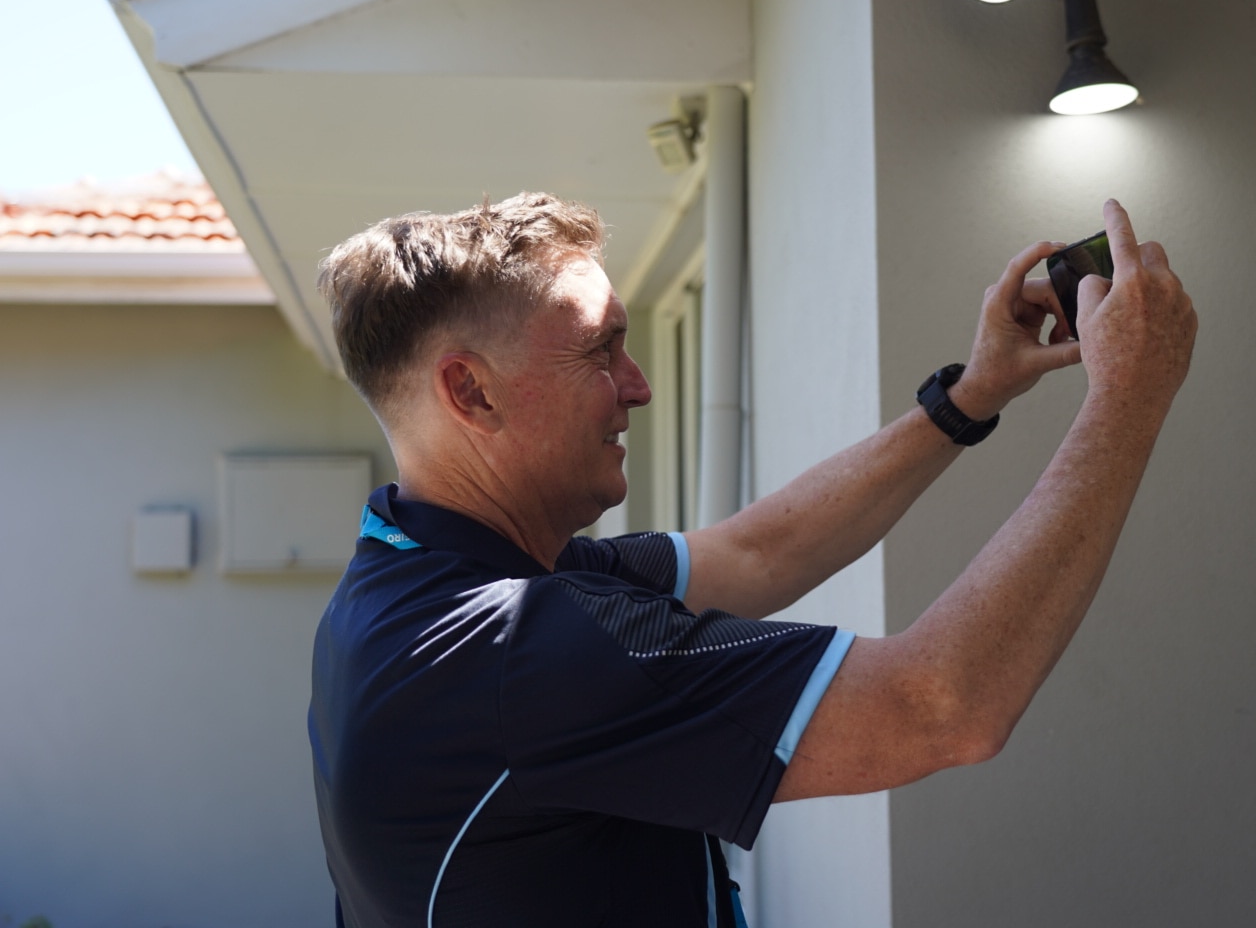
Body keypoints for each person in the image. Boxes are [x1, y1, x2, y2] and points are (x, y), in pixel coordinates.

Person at [308, 192, 1196, 927]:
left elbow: (758, 551)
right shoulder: (521, 651)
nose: (638, 385)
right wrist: (1128, 396)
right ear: (470, 391)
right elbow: (941, 707)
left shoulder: (410, 580)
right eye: (598, 350)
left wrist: (972, 394)